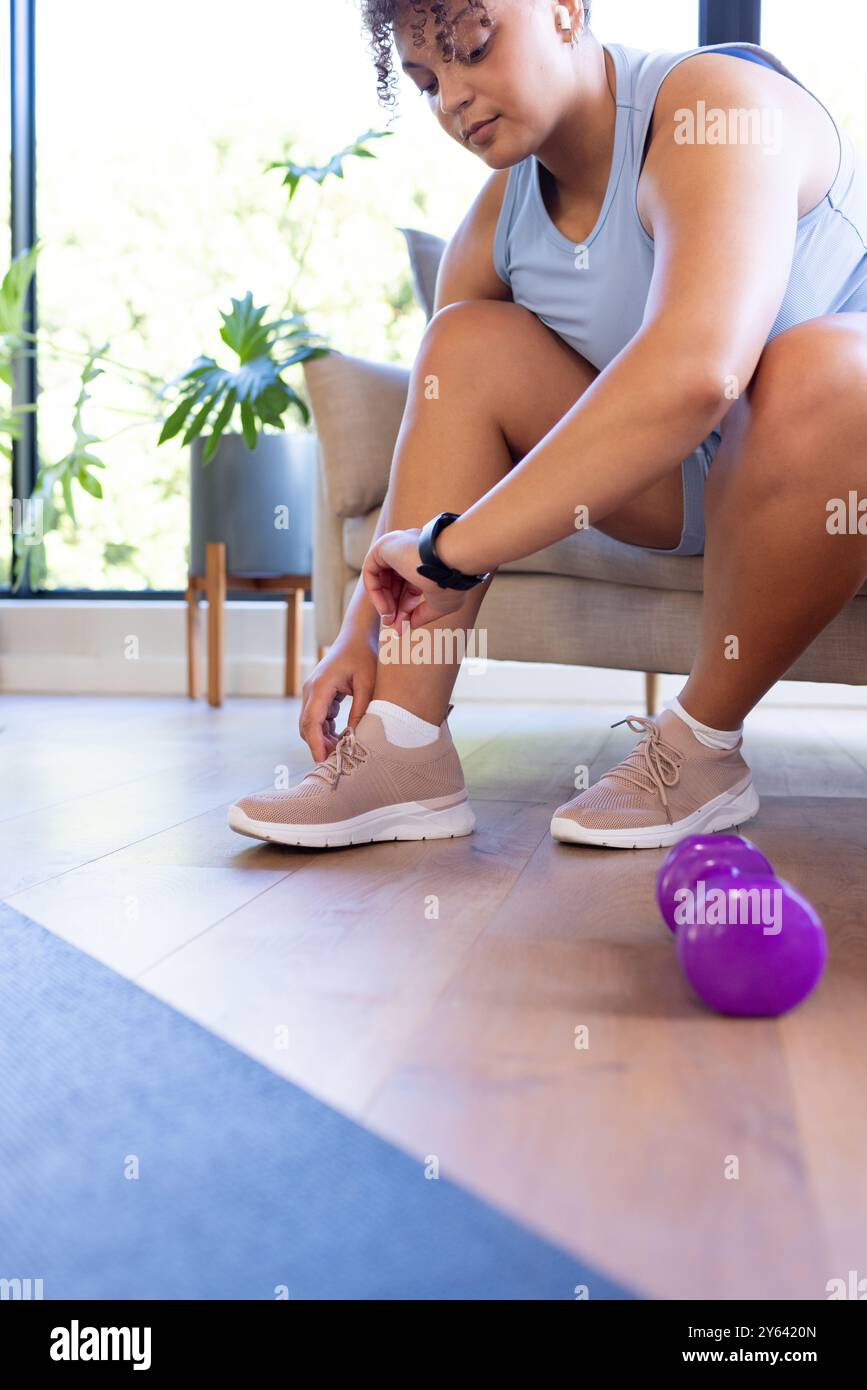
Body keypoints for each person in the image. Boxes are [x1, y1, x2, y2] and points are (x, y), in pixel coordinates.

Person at [228, 0, 867, 851]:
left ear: (566, 8)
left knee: (826, 364)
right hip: (685, 491)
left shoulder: (716, 106)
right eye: (425, 82)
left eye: (472, 49)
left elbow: (699, 373)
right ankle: (404, 749)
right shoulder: (498, 219)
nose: (452, 97)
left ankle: (700, 746)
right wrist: (360, 628)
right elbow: (437, 413)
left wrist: (452, 548)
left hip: (832, 467)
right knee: (462, 343)